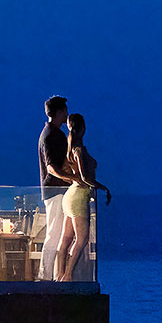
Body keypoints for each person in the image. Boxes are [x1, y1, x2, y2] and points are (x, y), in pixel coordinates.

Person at [56, 113, 111, 281]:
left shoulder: (71, 148)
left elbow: (69, 173)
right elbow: (85, 177)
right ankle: (68, 275)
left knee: (66, 238)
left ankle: (59, 275)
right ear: (83, 128)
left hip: (71, 194)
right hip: (79, 196)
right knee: (81, 239)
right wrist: (104, 188)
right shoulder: (78, 149)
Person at [37, 96, 74, 274]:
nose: (67, 114)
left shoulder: (54, 133)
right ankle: (45, 275)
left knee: (57, 233)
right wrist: (69, 179)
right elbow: (51, 167)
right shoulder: (51, 135)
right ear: (59, 112)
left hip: (56, 190)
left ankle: (52, 273)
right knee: (54, 233)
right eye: (65, 111)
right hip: (55, 190)